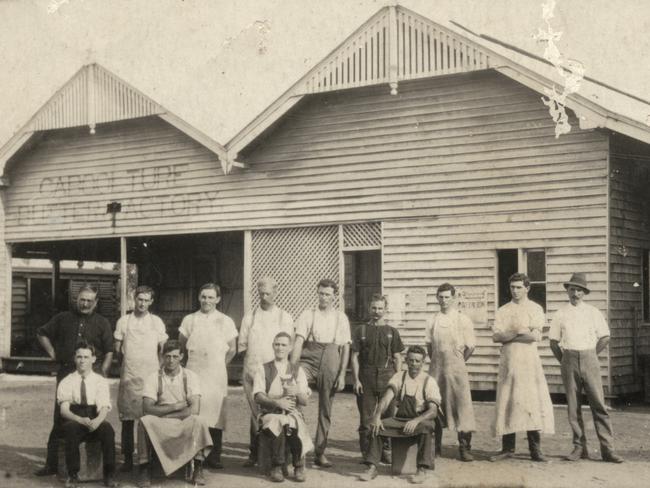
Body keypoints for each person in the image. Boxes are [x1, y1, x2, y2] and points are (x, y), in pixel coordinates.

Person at [35, 284, 114, 476]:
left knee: (97, 418)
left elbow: (110, 349)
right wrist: (53, 352)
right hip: (67, 373)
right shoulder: (62, 318)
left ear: (95, 303)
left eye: (89, 300)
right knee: (59, 418)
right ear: (76, 299)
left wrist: (103, 369)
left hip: (92, 374)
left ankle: (97, 467)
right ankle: (52, 464)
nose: (85, 303)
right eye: (82, 299)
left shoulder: (102, 322)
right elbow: (41, 333)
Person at [549, 272, 624, 463]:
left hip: (589, 357)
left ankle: (607, 449)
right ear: (567, 291)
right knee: (573, 406)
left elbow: (605, 337)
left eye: (579, 290)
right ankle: (579, 447)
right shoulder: (560, 313)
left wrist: (591, 354)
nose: (575, 293)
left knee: (598, 404)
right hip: (569, 358)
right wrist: (565, 360)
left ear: (584, 293)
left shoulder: (593, 312)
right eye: (572, 289)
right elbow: (553, 342)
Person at [489, 273, 554, 462]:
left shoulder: (535, 308)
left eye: (519, 287)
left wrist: (509, 335)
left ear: (527, 288)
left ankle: (535, 449)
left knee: (530, 401)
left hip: (528, 362)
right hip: (509, 361)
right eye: (512, 287)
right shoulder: (503, 310)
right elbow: (496, 337)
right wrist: (518, 331)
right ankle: (507, 448)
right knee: (508, 400)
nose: (515, 291)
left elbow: (534, 336)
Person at [290, 278, 351, 468]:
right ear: (317, 293)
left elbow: (346, 348)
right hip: (309, 357)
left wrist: (342, 374)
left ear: (334, 296)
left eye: (328, 294)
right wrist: (292, 368)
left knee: (326, 406)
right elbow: (299, 341)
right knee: (295, 395)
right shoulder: (308, 314)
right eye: (321, 293)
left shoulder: (341, 317)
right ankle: (297, 447)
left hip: (331, 356)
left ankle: (320, 452)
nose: (324, 297)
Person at [360, 345, 441, 485]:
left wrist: (416, 420)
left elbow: (433, 411)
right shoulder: (399, 376)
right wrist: (377, 415)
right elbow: (386, 399)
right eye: (411, 360)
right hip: (400, 419)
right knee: (378, 425)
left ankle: (422, 469)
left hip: (420, 419)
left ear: (423, 363)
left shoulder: (429, 381)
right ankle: (372, 467)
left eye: (417, 361)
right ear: (406, 361)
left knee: (428, 427)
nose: (414, 364)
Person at [137, 340, 213, 487]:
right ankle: (144, 467)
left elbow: (194, 408)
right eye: (167, 356)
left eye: (175, 356)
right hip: (161, 421)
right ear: (162, 356)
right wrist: (175, 406)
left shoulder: (190, 376)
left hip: (181, 420)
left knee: (199, 420)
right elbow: (147, 408)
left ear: (182, 357)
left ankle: (198, 467)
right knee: (144, 421)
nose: (171, 360)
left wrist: (168, 414)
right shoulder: (154, 377)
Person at [179, 283, 238, 469]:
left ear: (218, 299)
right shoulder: (190, 319)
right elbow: (182, 346)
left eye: (211, 297)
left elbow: (233, 350)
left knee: (215, 413)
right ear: (199, 297)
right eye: (204, 297)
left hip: (216, 373)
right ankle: (192, 455)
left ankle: (214, 456)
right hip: (195, 370)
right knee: (195, 411)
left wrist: (219, 365)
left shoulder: (225, 320)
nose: (207, 301)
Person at [239, 277, 294, 467]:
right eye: (261, 293)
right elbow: (243, 345)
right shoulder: (250, 317)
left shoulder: (284, 317)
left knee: (278, 411)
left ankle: (278, 456)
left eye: (268, 293)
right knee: (256, 413)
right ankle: (254, 453)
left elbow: (288, 346)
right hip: (253, 371)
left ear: (275, 293)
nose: (264, 297)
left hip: (276, 373)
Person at [114, 286, 168, 472]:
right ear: (134, 299)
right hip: (129, 376)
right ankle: (128, 459)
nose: (142, 303)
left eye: (146, 300)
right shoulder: (124, 321)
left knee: (150, 418)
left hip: (150, 376)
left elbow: (162, 349)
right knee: (128, 420)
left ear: (151, 302)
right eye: (139, 299)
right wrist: (127, 366)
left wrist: (157, 371)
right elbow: (117, 349)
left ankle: (150, 459)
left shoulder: (157, 322)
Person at [425, 283, 476, 462]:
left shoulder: (463, 320)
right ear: (437, 298)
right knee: (434, 405)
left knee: (462, 407)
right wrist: (438, 363)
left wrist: (458, 362)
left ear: (453, 298)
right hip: (437, 369)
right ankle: (435, 447)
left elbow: (471, 346)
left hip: (457, 370)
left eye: (447, 297)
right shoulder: (432, 320)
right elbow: (429, 346)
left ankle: (464, 447)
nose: (444, 300)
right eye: (441, 297)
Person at [253, 332, 313, 483]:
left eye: (284, 345)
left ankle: (298, 466)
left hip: (292, 412)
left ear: (290, 348)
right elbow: (258, 396)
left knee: (294, 422)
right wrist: (277, 403)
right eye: (277, 344)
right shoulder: (264, 368)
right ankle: (277, 466)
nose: (280, 348)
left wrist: (297, 392)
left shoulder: (297, 370)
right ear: (273, 346)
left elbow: (304, 401)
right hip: (270, 413)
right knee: (277, 421)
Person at [351, 293, 404, 464]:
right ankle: (367, 453)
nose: (376, 311)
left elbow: (397, 357)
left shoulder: (392, 332)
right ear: (369, 308)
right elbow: (355, 356)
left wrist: (399, 380)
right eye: (374, 308)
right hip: (366, 376)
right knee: (366, 418)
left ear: (386, 310)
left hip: (387, 376)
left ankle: (386, 450)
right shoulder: (361, 330)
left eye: (380, 308)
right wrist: (356, 380)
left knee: (388, 415)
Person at [57, 340, 117, 488]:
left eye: (86, 357)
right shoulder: (67, 381)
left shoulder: (100, 381)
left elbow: (103, 406)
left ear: (93, 359)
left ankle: (109, 475)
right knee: (70, 429)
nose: (82, 360)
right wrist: (79, 419)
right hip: (75, 418)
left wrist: (97, 421)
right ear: (74, 358)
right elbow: (64, 411)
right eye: (79, 357)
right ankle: (73, 476)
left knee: (108, 430)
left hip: (94, 417)